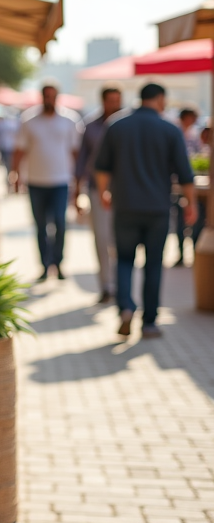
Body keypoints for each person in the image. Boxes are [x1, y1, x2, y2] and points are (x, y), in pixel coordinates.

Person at [94, 83, 196, 339]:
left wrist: (105, 193)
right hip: (157, 209)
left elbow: (101, 167)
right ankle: (149, 322)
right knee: (153, 264)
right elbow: (185, 174)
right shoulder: (170, 128)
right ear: (160, 98)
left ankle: (126, 307)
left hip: (125, 205)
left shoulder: (117, 125)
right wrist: (192, 204)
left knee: (125, 260)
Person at [12, 83, 83, 282]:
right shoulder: (29, 120)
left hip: (61, 181)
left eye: (53, 96)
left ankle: (58, 263)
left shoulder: (70, 120)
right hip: (35, 181)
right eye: (46, 96)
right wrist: (15, 175)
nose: (49, 99)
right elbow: (20, 150)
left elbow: (76, 153)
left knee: (60, 223)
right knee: (40, 225)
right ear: (42, 97)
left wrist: (78, 182)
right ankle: (44, 265)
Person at [73, 86, 122, 304]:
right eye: (110, 100)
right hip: (96, 190)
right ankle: (106, 286)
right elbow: (81, 161)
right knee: (102, 239)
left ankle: (122, 284)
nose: (114, 105)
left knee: (120, 240)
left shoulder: (126, 125)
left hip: (122, 191)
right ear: (103, 101)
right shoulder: (91, 127)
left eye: (117, 100)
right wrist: (77, 191)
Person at [172, 108, 202, 265]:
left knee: (191, 221)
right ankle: (182, 254)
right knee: (180, 222)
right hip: (177, 184)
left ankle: (193, 253)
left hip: (186, 182)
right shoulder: (174, 132)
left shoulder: (193, 135)